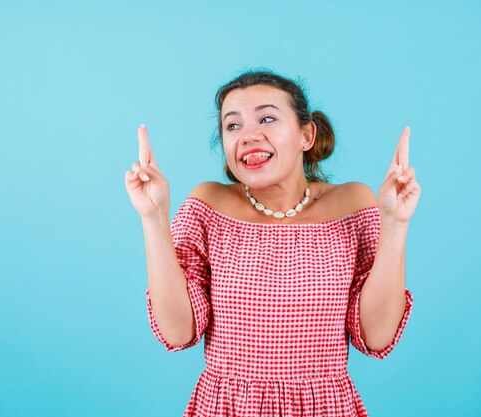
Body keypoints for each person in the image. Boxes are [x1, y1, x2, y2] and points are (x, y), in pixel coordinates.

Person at [124, 69, 420, 417]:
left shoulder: (353, 203)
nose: (248, 135)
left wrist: (396, 224)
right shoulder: (207, 204)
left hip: (324, 408)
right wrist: (153, 219)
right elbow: (176, 333)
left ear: (306, 134)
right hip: (227, 408)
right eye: (233, 126)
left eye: (266, 118)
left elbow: (377, 337)